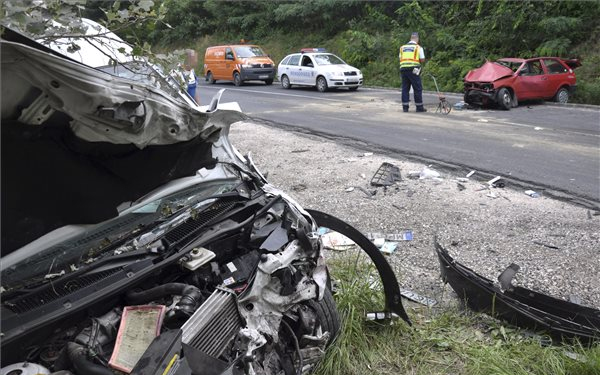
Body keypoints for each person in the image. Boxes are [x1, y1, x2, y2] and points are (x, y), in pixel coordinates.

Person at [399, 32, 426, 112]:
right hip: (414, 69)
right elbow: (422, 59)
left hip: (403, 69)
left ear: (410, 38)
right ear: (417, 39)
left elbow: (400, 58)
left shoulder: (402, 47)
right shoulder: (418, 47)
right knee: (417, 88)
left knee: (405, 88)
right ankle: (419, 107)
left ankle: (405, 107)